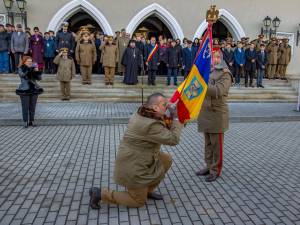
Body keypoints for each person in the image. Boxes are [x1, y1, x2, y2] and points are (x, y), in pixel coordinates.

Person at [89, 93, 183, 209]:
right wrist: (177, 118)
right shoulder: (150, 125)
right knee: (138, 201)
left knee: (166, 159)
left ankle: (146, 191)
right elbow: (173, 139)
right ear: (155, 107)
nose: (168, 107)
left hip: (142, 157)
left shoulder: (144, 113)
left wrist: (175, 117)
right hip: (133, 164)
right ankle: (101, 194)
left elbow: (167, 127)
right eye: (165, 105)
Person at [196, 50, 232, 182]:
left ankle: (215, 170)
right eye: (212, 57)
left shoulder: (225, 74)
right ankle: (208, 165)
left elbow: (218, 91)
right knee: (208, 143)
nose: (214, 60)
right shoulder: (208, 71)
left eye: (217, 57)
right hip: (205, 112)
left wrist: (202, 83)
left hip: (216, 113)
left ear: (221, 59)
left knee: (217, 145)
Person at [15, 56, 43, 128]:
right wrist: (29, 70)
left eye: (31, 62)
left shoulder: (34, 69)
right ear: (24, 62)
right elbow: (22, 75)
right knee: (25, 107)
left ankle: (32, 121)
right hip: (24, 90)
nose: (30, 63)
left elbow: (39, 79)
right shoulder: (21, 68)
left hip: (34, 89)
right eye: (28, 61)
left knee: (32, 107)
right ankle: (25, 122)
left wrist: (37, 71)